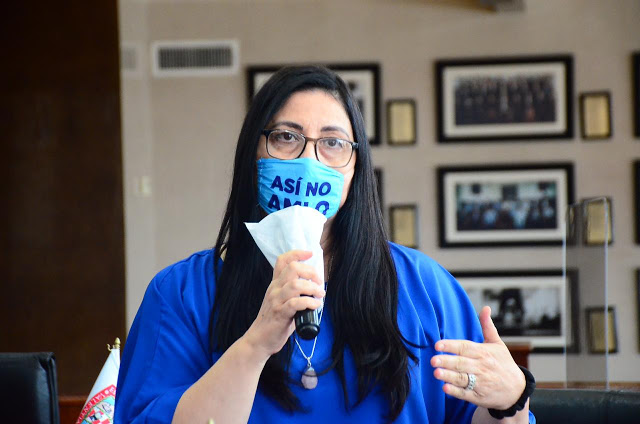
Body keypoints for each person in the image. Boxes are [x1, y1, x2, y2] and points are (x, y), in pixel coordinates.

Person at [115, 66, 536, 424]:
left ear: (355, 168)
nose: (309, 161)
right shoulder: (181, 294)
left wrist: (512, 400)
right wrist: (255, 344)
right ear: (253, 155)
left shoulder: (423, 287)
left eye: (332, 143)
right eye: (286, 137)